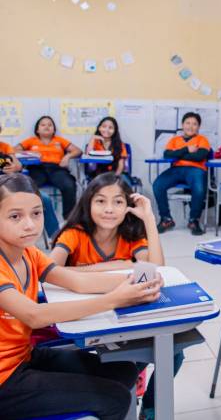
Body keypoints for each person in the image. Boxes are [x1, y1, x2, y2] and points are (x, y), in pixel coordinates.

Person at [0, 173, 162, 420]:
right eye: (15, 216)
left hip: (24, 356)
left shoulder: (29, 254)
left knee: (124, 370)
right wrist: (116, 299)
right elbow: (34, 316)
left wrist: (136, 283)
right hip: (5, 380)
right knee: (115, 399)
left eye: (36, 213)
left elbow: (78, 281)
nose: (30, 224)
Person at [48, 172, 181, 420]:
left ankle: (150, 410)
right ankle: (131, 380)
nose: (109, 209)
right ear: (88, 203)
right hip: (87, 317)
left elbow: (157, 269)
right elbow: (48, 271)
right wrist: (110, 266)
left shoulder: (130, 234)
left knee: (173, 350)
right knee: (128, 360)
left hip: (123, 313)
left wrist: (150, 219)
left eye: (118, 202)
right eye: (100, 201)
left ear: (127, 207)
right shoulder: (75, 233)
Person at [152, 112, 210, 236]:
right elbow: (167, 154)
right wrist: (187, 150)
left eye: (194, 124)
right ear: (182, 125)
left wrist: (178, 153)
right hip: (177, 169)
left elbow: (200, 156)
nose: (191, 126)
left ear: (198, 127)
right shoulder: (175, 139)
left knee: (199, 189)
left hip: (196, 170)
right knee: (158, 185)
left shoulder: (202, 139)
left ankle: (193, 220)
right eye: (188, 123)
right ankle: (166, 219)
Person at [16, 116, 81, 217]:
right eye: (43, 125)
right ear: (37, 129)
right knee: (28, 187)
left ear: (54, 129)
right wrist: (29, 153)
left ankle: (69, 218)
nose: (47, 127)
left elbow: (78, 151)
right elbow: (14, 150)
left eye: (50, 125)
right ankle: (31, 216)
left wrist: (67, 156)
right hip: (37, 169)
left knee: (69, 185)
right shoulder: (31, 140)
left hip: (56, 169)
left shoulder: (59, 140)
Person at [1, 131, 59, 238]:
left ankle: (56, 239)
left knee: (44, 198)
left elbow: (18, 165)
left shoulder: (5, 146)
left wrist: (15, 167)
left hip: (9, 186)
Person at [85, 116, 132, 187]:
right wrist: (93, 138)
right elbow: (88, 155)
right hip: (99, 173)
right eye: (104, 126)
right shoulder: (95, 142)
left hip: (116, 173)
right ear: (99, 128)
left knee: (125, 185)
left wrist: (116, 177)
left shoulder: (120, 144)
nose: (106, 129)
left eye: (110, 128)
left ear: (115, 130)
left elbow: (121, 164)